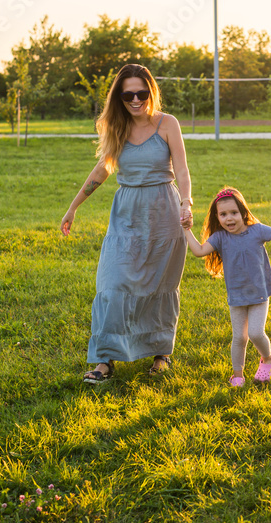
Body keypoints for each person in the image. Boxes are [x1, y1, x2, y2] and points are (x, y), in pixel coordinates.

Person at [61, 64, 194, 383]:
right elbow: (101, 171)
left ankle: (161, 352)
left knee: (159, 286)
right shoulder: (117, 128)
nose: (135, 99)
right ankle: (104, 359)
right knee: (112, 284)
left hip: (164, 211)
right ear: (119, 97)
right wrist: (73, 207)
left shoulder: (167, 124)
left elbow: (184, 170)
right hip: (126, 214)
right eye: (128, 94)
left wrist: (186, 203)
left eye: (141, 93)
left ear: (151, 91)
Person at [183, 186, 271, 387]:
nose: (229, 219)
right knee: (239, 337)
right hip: (237, 297)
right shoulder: (220, 237)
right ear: (217, 217)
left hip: (258, 294)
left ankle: (268, 359)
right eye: (223, 214)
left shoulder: (257, 231)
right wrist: (186, 229)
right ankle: (237, 376)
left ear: (243, 212)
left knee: (255, 333)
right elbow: (199, 251)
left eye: (234, 213)